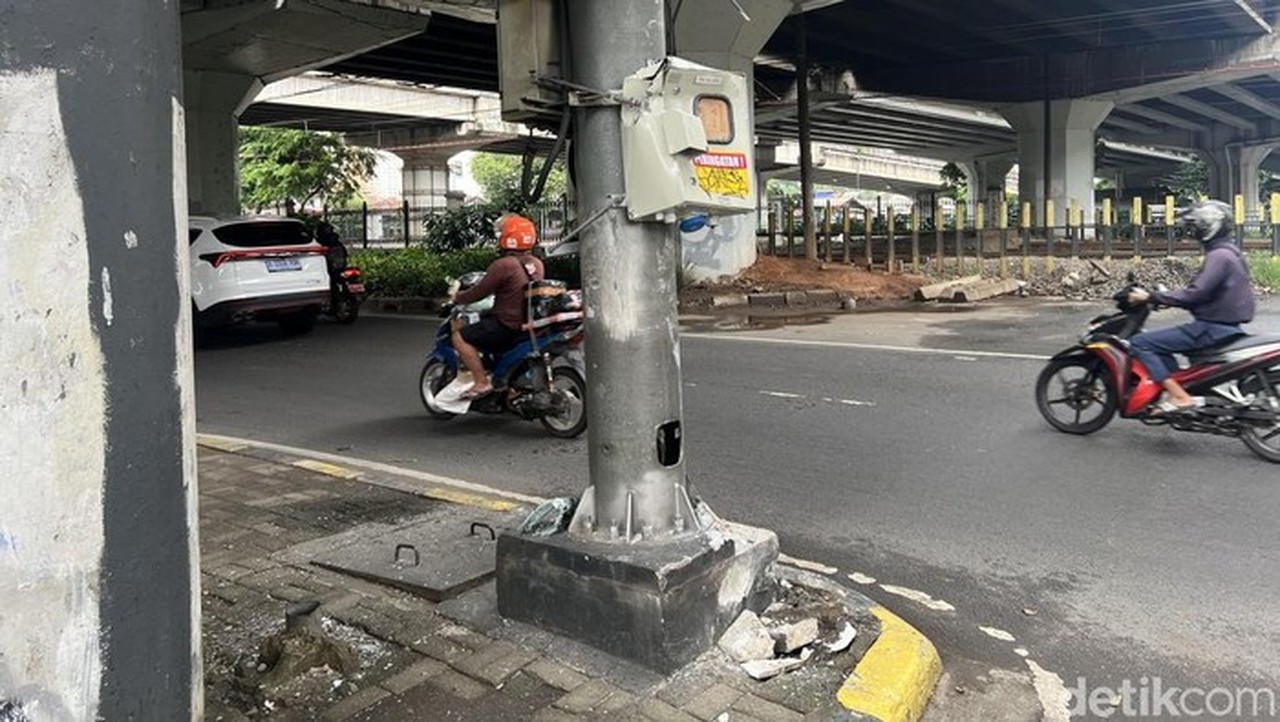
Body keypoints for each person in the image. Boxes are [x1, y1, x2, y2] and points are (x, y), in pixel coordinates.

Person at [1127, 199, 1255, 413]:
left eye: (1197, 224)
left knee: (1141, 342)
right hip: (1225, 326)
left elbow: (1197, 293)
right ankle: (1179, 387)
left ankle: (1179, 396)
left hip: (1210, 328)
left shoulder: (1219, 256)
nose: (1192, 229)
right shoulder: (1230, 252)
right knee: (1161, 344)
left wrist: (1151, 296)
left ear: (1210, 226)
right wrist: (1166, 299)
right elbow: (1208, 293)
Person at [450, 213, 545, 399]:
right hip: (527, 325)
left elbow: (478, 293)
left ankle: (481, 382)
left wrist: (457, 298)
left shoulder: (504, 265)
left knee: (459, 337)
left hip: (506, 325)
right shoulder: (537, 264)